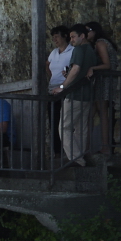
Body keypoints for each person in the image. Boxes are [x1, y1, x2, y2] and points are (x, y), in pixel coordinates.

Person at [53, 25, 98, 166]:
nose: (71, 40)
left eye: (73, 37)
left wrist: (62, 86)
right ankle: (81, 156)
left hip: (75, 94)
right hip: (87, 94)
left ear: (82, 36)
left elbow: (77, 69)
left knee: (64, 127)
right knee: (80, 128)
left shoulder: (79, 49)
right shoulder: (91, 50)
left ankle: (76, 159)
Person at [85, 21, 118, 153]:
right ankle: (86, 147)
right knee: (92, 113)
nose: (86, 33)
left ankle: (105, 146)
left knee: (102, 111)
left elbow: (107, 64)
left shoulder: (100, 43)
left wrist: (92, 68)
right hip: (103, 80)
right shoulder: (100, 43)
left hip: (104, 81)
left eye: (88, 30)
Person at [47, 26, 73, 159]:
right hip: (53, 90)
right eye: (53, 37)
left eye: (57, 36)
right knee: (54, 121)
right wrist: (53, 78)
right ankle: (57, 151)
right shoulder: (53, 52)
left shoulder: (72, 51)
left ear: (65, 36)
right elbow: (47, 65)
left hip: (67, 90)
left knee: (66, 122)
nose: (54, 39)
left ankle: (69, 152)